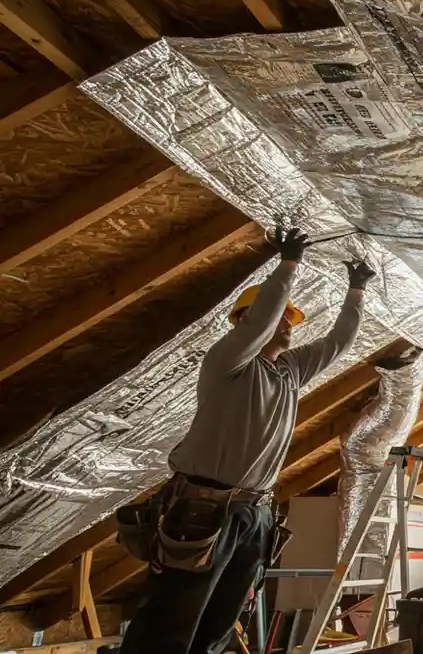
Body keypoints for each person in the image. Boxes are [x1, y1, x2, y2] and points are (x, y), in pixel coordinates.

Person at [119, 227, 374, 654]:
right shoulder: (227, 363)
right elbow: (260, 320)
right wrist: (288, 265)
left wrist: (356, 292)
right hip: (202, 506)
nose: (288, 326)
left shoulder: (289, 372)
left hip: (253, 512)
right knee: (173, 615)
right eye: (281, 319)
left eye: (291, 320)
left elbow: (336, 344)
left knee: (222, 617)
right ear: (244, 322)